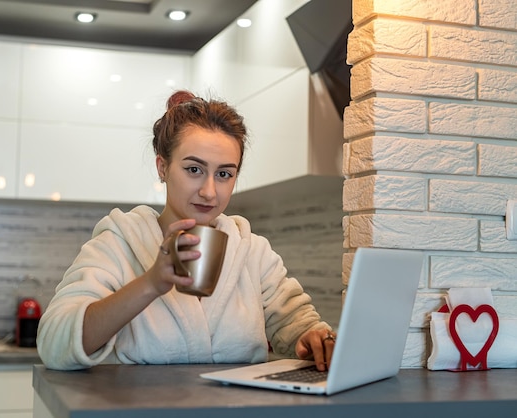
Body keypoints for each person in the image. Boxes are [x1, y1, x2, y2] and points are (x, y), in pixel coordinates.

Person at [36, 90, 336, 371]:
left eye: (224, 174)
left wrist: (313, 338)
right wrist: (151, 283)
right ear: (162, 167)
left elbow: (297, 323)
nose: (209, 191)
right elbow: (54, 344)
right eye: (194, 169)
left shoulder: (252, 252)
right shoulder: (118, 242)